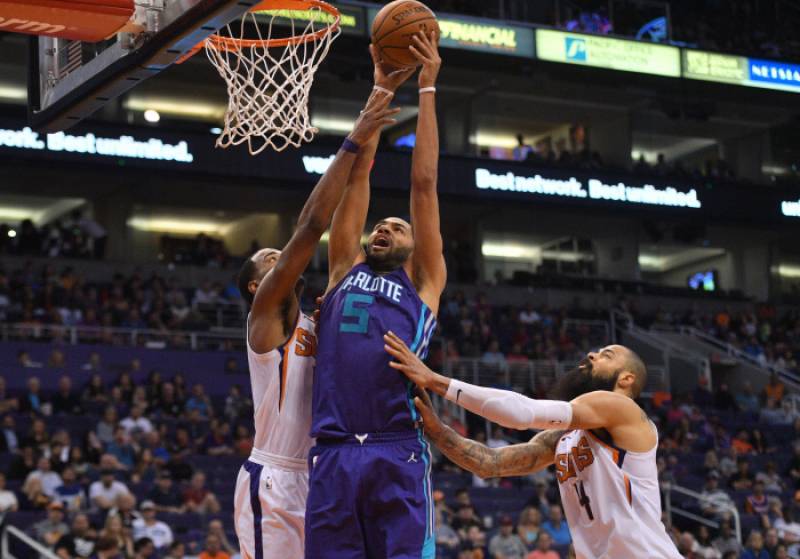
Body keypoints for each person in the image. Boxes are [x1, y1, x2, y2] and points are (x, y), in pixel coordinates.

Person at [233, 75, 405, 559]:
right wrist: (352, 138)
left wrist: (371, 126)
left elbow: (348, 220)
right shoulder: (266, 317)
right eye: (270, 258)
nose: (280, 257)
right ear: (255, 286)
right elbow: (312, 227)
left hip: (325, 471)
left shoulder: (320, 313)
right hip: (275, 478)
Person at [305, 32, 445, 559]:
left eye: (398, 228)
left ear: (415, 248)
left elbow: (424, 187)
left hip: (397, 450)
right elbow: (356, 175)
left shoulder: (424, 283)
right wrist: (380, 90)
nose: (384, 229)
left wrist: (427, 89)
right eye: (380, 226)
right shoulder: (344, 267)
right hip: (335, 452)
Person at [383, 338, 682, 559]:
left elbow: (522, 413)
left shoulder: (621, 408)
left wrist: (435, 381)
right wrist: (437, 431)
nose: (591, 353)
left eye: (606, 355)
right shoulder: (565, 438)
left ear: (626, 378)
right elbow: (490, 463)